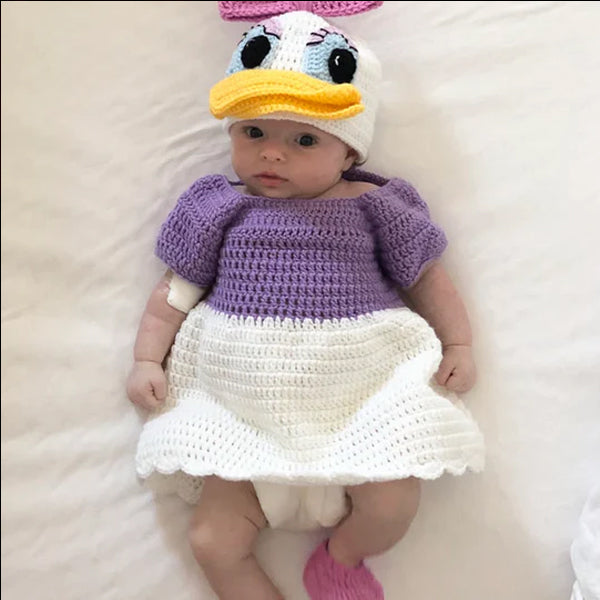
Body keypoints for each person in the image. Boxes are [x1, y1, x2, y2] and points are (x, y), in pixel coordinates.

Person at [127, 4, 485, 599]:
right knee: (212, 541)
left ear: (349, 152)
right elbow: (173, 294)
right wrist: (146, 358)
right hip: (243, 422)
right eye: (254, 133)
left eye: (304, 139)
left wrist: (459, 344)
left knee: (395, 503)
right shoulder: (219, 208)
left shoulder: (375, 207)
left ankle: (341, 558)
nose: (272, 154)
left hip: (362, 412)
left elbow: (427, 279)